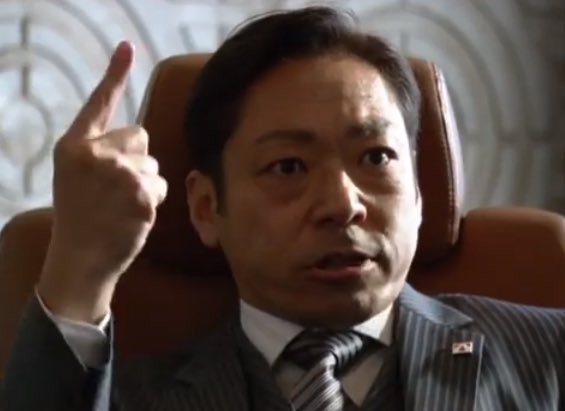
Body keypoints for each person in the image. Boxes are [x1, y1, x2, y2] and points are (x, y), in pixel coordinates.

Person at [1, 6, 564, 411]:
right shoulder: (131, 396)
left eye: (376, 157)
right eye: (289, 167)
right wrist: (81, 266)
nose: (342, 204)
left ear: (418, 195)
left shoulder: (549, 355)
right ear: (206, 207)